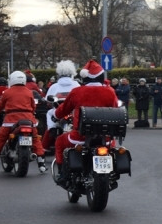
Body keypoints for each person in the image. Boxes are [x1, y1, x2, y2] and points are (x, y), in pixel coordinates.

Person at [51, 59, 120, 187]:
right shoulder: (110, 91)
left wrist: (55, 115)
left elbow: (64, 109)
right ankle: (111, 174)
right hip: (105, 139)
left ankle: (63, 174)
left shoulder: (77, 92)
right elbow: (115, 109)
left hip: (80, 137)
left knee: (59, 142)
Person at [0, 71, 47, 175]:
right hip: (29, 120)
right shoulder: (29, 92)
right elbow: (33, 107)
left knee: (0, 139)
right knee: (35, 139)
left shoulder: (7, 92)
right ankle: (41, 162)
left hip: (10, 120)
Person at [42, 60, 80, 150]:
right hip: (73, 112)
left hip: (59, 113)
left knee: (49, 113)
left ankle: (49, 136)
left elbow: (48, 101)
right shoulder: (76, 84)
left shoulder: (54, 86)